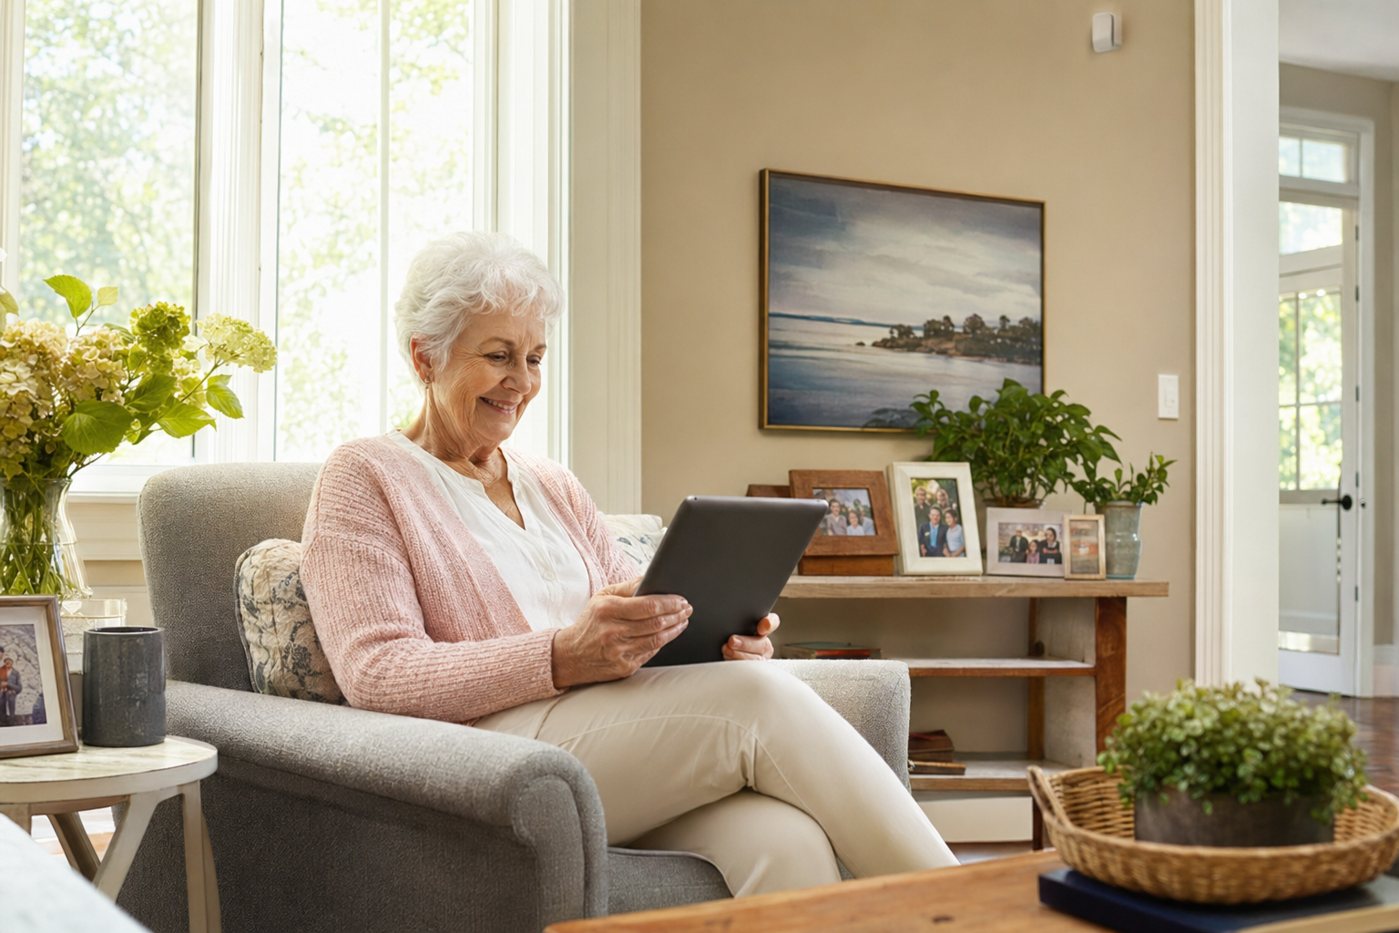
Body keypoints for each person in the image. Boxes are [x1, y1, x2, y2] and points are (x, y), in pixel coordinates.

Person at [300, 231, 957, 898]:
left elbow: (633, 615)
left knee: (784, 838)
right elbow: (376, 673)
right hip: (492, 749)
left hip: (613, 735)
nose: (520, 382)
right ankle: (973, 911)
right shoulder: (365, 475)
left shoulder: (551, 482)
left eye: (534, 357)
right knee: (759, 703)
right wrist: (559, 656)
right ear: (425, 356)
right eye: (498, 355)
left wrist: (714, 638)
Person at [0, 657, 18, 721]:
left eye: (9, 661)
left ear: (12, 662)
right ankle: (2, 720)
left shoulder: (16, 673)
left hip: (11, 692)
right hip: (2, 692)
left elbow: (19, 687)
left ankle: (12, 719)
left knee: (11, 698)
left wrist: (9, 685)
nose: (7, 662)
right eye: (6, 661)